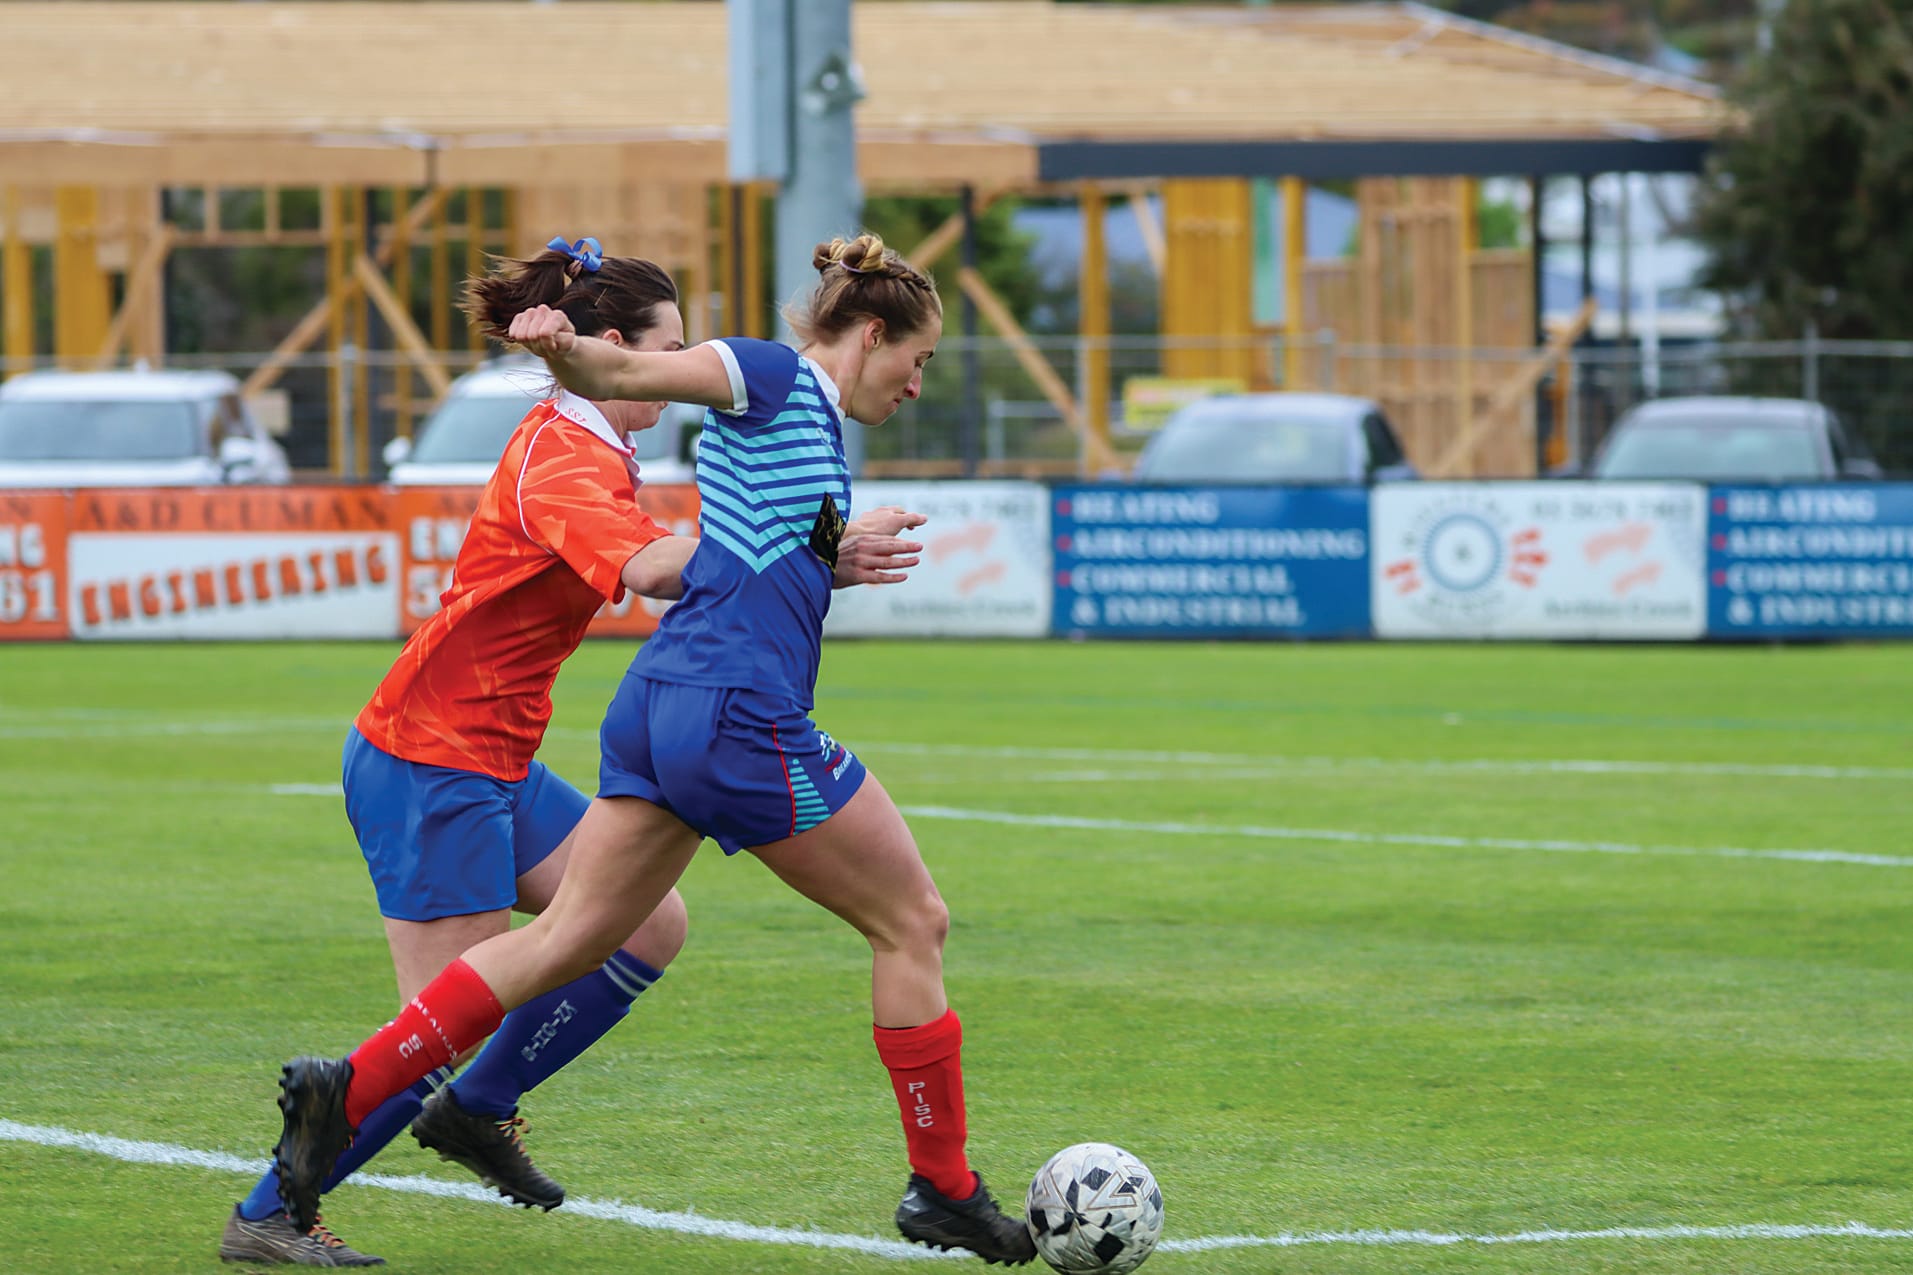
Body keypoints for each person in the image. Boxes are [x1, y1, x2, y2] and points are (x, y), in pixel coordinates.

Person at [268, 231, 1038, 1266]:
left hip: (630, 717)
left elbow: (736, 540)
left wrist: (824, 554)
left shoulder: (716, 437)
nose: (916, 383)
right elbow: (648, 515)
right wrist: (561, 348)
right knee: (912, 921)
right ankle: (942, 1187)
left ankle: (452, 1103)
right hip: (472, 746)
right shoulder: (749, 378)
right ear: (870, 332)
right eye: (921, 359)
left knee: (613, 935)